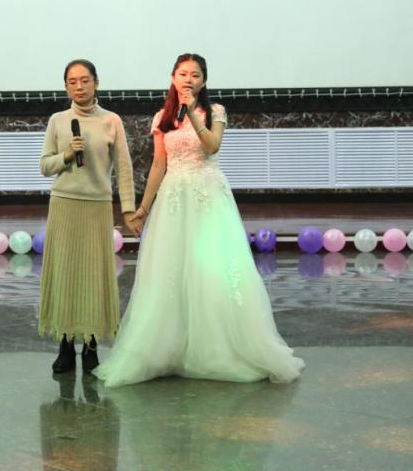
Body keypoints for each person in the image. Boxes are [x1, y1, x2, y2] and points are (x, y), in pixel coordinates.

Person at [94, 53, 304, 387]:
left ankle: (218, 347)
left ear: (203, 81)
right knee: (171, 269)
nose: (188, 79)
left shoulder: (215, 111)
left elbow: (212, 145)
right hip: (174, 199)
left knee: (211, 268)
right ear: (173, 78)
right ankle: (168, 348)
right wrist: (143, 208)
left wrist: (192, 113)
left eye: (194, 75)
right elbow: (159, 165)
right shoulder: (162, 117)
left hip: (208, 197)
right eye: (182, 73)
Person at [39, 59, 138, 374]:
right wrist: (67, 155)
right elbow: (45, 166)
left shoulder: (111, 121)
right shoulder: (58, 120)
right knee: (65, 276)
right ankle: (66, 345)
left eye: (84, 80)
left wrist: (128, 209)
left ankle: (92, 345)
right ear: (66, 86)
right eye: (72, 82)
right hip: (64, 205)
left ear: (96, 82)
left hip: (97, 206)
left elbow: (124, 169)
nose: (79, 87)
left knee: (94, 278)